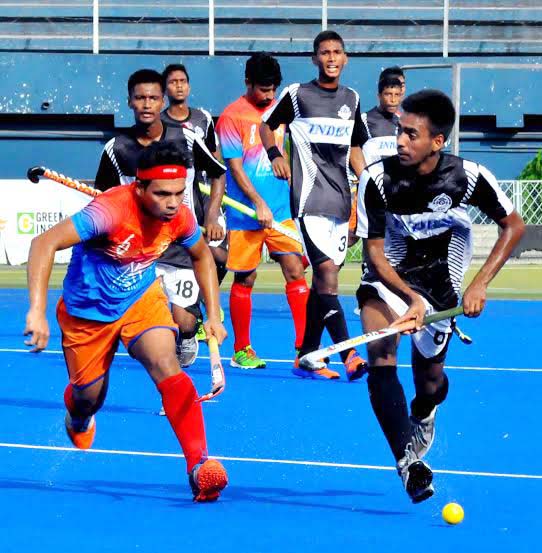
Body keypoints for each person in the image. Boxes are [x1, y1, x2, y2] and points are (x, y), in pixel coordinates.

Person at [23, 141, 230, 502]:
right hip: (87, 312)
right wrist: (36, 311)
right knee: (87, 398)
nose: (172, 202)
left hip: (140, 299)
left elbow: (202, 256)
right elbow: (43, 243)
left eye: (179, 193)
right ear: (139, 187)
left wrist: (213, 313)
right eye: (162, 193)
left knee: (167, 363)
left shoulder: (179, 215)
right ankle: (78, 414)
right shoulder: (109, 211)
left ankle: (199, 466)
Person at [356, 89, 525, 503]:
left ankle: (426, 410)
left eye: (412, 134)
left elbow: (514, 225)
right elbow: (374, 254)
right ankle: (408, 464)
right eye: (399, 131)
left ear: (437, 141)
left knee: (429, 382)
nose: (400, 141)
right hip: (390, 277)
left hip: (440, 283)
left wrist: (480, 282)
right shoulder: (376, 179)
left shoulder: (467, 176)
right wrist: (408, 299)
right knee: (381, 352)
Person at [95, 69, 226, 369]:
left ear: (162, 100)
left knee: (185, 323)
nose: (146, 104)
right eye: (140, 98)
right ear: (129, 102)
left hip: (181, 247)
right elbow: (102, 198)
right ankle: (171, 382)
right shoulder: (116, 150)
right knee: (154, 335)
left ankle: (188, 335)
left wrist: (212, 213)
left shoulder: (188, 139)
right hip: (138, 254)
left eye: (153, 98)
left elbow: (218, 172)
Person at [260, 30, 367, 380]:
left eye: (337, 52)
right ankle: (347, 353)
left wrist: (369, 183)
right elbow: (266, 127)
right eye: (325, 52)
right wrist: (276, 153)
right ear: (314, 58)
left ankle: (306, 355)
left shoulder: (352, 99)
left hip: (339, 202)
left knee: (324, 284)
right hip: (307, 199)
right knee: (327, 276)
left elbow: (354, 148)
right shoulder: (297, 94)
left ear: (346, 58)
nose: (331, 58)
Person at [216, 52, 309, 369]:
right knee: (246, 277)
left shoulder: (280, 109)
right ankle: (242, 349)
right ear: (247, 83)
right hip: (246, 212)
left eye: (273, 89)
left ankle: (303, 349)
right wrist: (257, 202)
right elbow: (235, 168)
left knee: (296, 270)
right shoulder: (231, 117)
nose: (269, 96)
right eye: (263, 90)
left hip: (281, 209)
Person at [161, 63, 229, 292]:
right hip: (179, 200)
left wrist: (213, 213)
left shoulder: (203, 118)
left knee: (221, 257)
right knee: (187, 255)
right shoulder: (159, 125)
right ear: (165, 89)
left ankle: (204, 299)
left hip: (206, 199)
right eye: (173, 82)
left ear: (189, 86)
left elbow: (217, 164)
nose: (179, 86)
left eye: (183, 81)